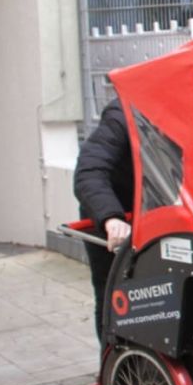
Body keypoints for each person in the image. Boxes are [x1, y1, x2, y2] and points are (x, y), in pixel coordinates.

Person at [73, 97, 134, 341]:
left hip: (153, 214)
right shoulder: (122, 114)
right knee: (113, 296)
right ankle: (110, 368)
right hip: (112, 217)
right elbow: (89, 172)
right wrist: (111, 218)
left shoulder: (187, 112)